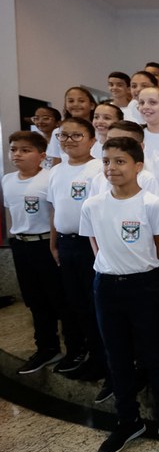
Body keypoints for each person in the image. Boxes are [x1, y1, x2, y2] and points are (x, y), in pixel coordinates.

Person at [80, 136, 159, 452]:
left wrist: (141, 271)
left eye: (120, 161)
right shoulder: (92, 205)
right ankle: (127, 419)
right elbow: (96, 245)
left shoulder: (151, 203)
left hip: (144, 284)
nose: (111, 167)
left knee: (154, 354)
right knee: (116, 355)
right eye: (106, 161)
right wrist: (112, 270)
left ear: (138, 166)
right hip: (106, 286)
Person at [4, 131, 71, 374]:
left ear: (42, 155)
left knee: (57, 297)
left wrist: (54, 245)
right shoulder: (8, 180)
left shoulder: (49, 178)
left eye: (25, 150)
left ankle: (74, 347)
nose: (17, 154)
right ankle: (46, 346)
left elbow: (55, 214)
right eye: (14, 150)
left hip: (45, 243)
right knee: (34, 299)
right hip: (21, 244)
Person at [47, 117, 106, 380]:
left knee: (94, 304)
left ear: (92, 140)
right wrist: (53, 241)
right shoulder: (57, 170)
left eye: (77, 135)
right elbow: (55, 208)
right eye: (64, 135)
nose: (69, 140)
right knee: (75, 303)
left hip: (89, 244)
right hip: (65, 242)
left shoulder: (97, 169)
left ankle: (101, 359)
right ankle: (81, 352)